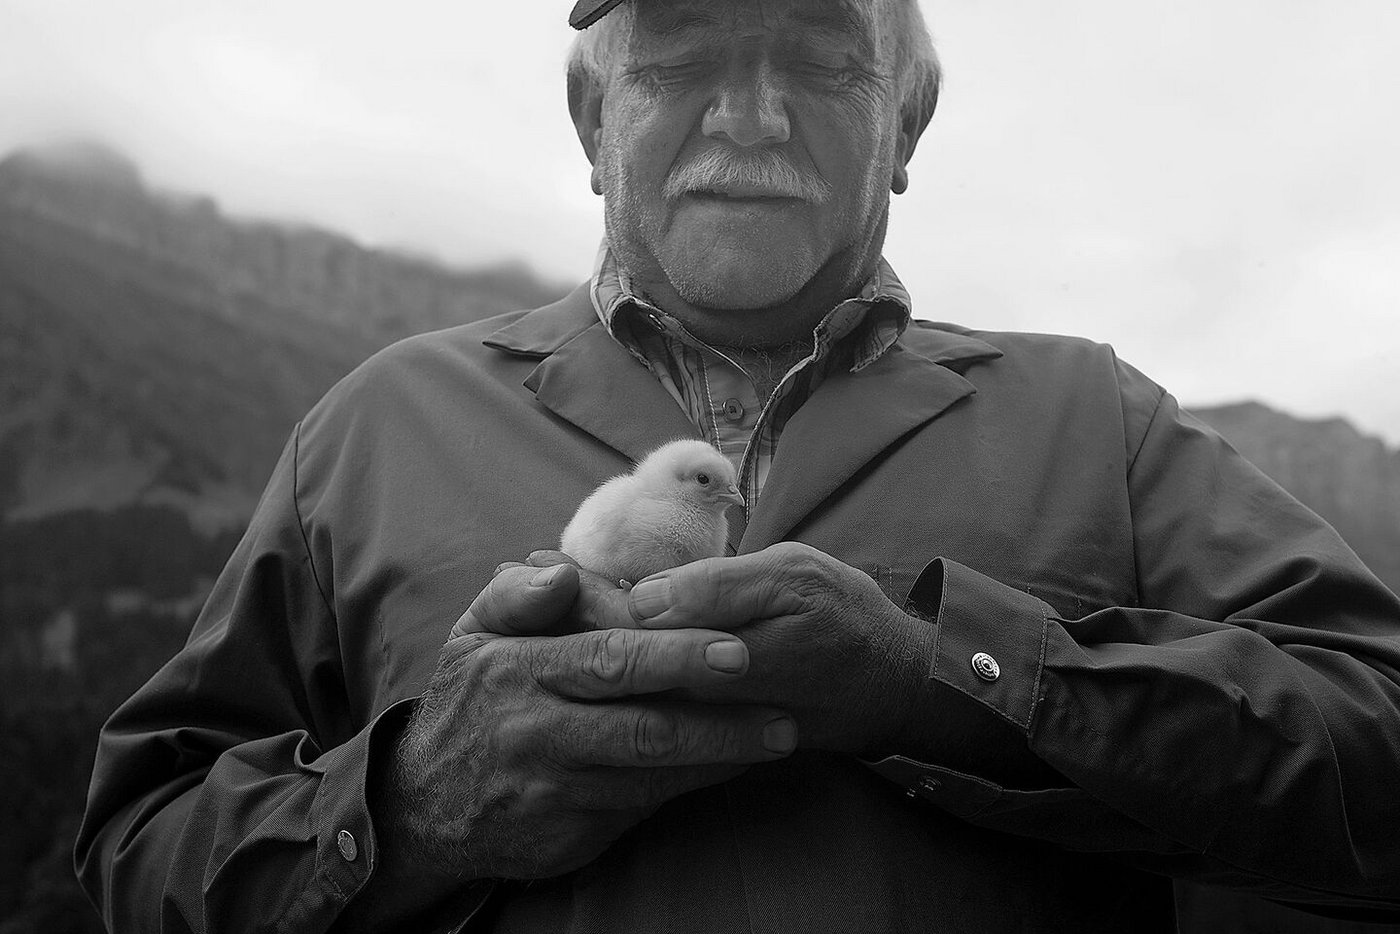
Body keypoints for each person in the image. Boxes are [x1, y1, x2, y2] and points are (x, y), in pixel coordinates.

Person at [77, 0, 1400, 931]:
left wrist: (946, 679)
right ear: (594, 119)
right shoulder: (368, 429)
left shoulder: (1095, 418)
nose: (752, 117)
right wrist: (412, 806)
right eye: (686, 57)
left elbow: (1377, 746)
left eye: (824, 61)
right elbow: (139, 855)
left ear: (909, 121)